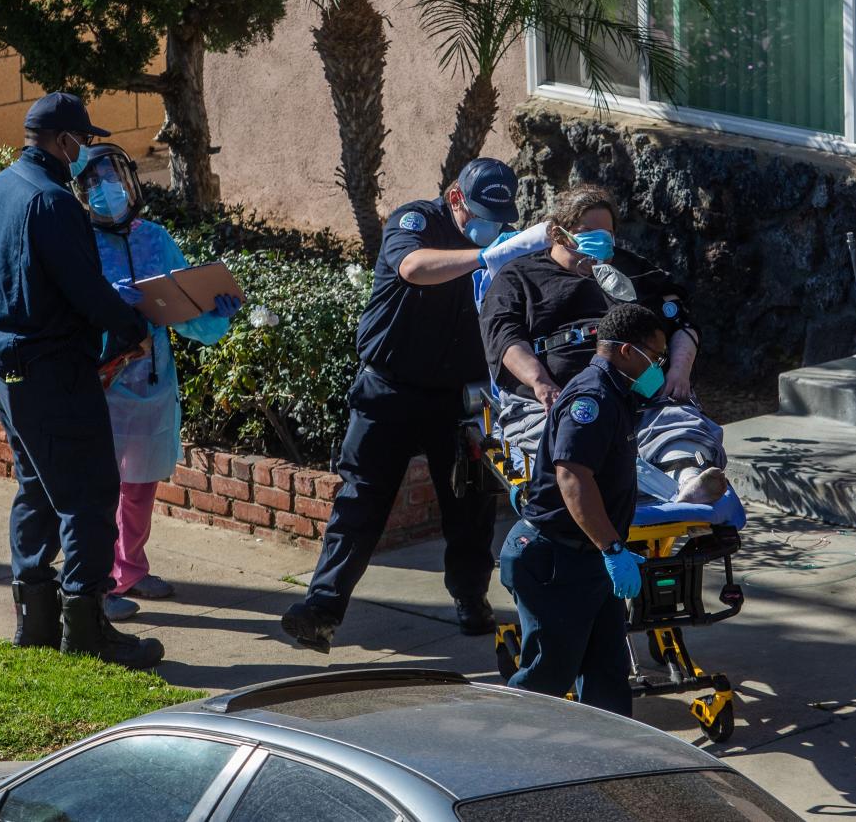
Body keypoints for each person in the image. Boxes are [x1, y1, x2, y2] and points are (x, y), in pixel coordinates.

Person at [281, 158, 543, 652]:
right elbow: (413, 268)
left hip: (460, 397)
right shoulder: (417, 222)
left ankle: (470, 600)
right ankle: (321, 610)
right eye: (482, 214)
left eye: (501, 219)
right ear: (456, 198)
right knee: (360, 500)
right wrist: (488, 256)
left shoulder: (504, 244)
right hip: (390, 389)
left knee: (469, 505)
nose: (491, 227)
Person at [0, 92, 163, 669]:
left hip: (0, 358)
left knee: (37, 484)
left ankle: (35, 620)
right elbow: (85, 289)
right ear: (63, 142)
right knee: (88, 494)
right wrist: (132, 328)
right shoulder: (54, 202)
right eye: (80, 141)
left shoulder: (4, 185)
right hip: (47, 365)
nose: (84, 153)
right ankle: (87, 627)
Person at [72, 143, 241, 621]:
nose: (109, 189)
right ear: (81, 191)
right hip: (102, 383)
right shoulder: (77, 241)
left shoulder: (154, 238)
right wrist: (109, 301)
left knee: (141, 484)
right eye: (95, 182)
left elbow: (183, 306)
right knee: (101, 488)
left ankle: (131, 567)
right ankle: (98, 585)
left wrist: (214, 313)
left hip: (152, 382)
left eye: (115, 178)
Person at [478, 184, 725, 502]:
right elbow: (504, 338)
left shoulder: (634, 270)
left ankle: (690, 479)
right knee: (574, 438)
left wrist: (679, 371)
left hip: (638, 390)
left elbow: (681, 321)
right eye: (587, 232)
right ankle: (637, 484)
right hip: (556, 397)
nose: (599, 240)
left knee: (675, 421)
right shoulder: (518, 277)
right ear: (558, 233)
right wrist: (540, 383)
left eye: (607, 233)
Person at [499, 303, 667, 717]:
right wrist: (612, 549)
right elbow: (573, 477)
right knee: (546, 678)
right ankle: (499, 755)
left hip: (589, 558)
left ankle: (607, 765)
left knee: (607, 676)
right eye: (656, 356)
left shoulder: (616, 393)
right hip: (557, 561)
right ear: (628, 351)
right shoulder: (591, 398)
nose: (659, 366)